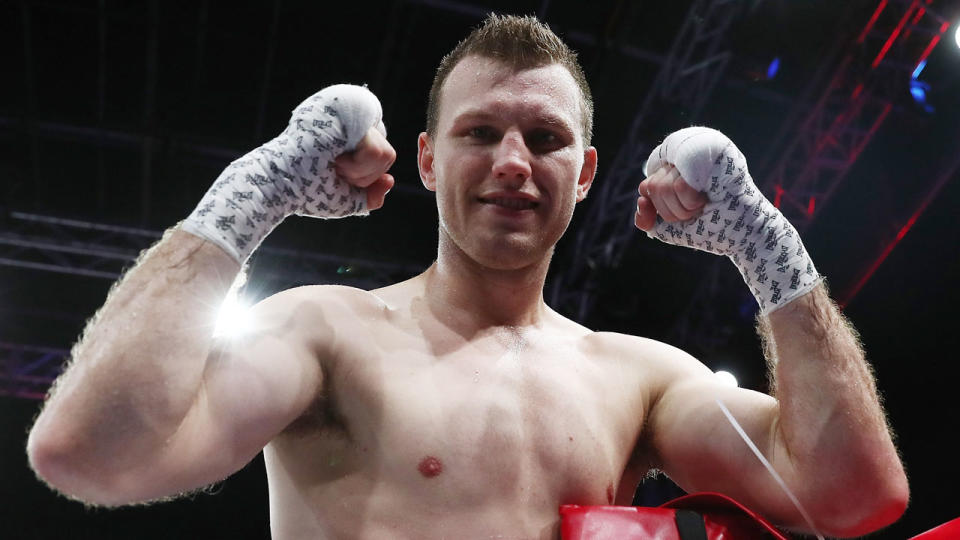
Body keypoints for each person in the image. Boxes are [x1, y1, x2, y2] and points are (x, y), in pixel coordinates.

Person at [27, 14, 907, 540]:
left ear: (588, 171)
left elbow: (855, 498)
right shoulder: (325, 334)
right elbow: (92, 455)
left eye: (547, 138)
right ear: (426, 159)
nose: (514, 162)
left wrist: (769, 248)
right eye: (480, 133)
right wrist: (246, 198)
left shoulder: (640, 377)